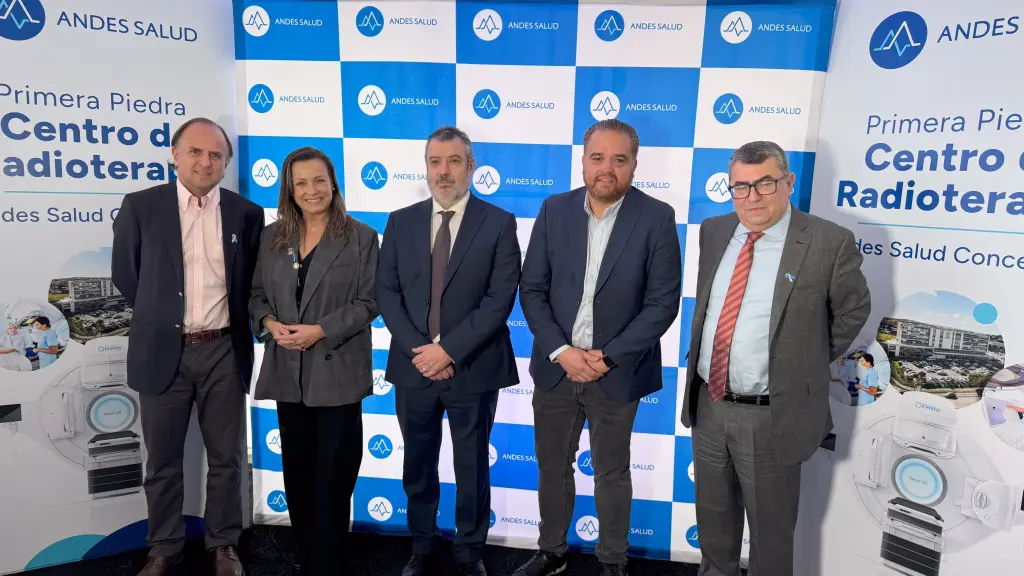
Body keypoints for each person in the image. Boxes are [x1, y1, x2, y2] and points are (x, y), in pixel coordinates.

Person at [680, 140, 871, 576]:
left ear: (788, 182)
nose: (752, 197)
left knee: (770, 538)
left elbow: (853, 311)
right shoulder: (714, 230)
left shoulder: (827, 242)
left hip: (772, 416)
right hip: (709, 405)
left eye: (765, 184)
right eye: (740, 187)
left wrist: (800, 364)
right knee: (713, 526)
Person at [515, 119, 681, 576]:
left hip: (617, 371)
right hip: (556, 369)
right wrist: (561, 351)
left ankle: (612, 560)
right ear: (583, 161)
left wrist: (607, 357)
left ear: (634, 164)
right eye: (598, 157)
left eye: (619, 159)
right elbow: (532, 289)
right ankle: (552, 552)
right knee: (552, 467)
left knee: (612, 472)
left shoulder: (656, 217)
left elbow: (662, 303)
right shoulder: (554, 209)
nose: (607, 168)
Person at [111, 117, 265, 576]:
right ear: (174, 155)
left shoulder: (246, 213)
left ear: (226, 163)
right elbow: (128, 277)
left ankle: (223, 544)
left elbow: (249, 281)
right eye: (195, 152)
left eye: (216, 155)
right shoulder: (141, 206)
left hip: (223, 350)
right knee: (161, 461)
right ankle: (164, 547)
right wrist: (163, 319)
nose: (205, 162)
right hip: (162, 351)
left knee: (227, 459)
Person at [376, 126, 521, 576]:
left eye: (454, 161)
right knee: (417, 463)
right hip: (413, 366)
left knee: (472, 465)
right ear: (426, 167)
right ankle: (422, 544)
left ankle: (469, 550)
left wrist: (449, 351)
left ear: (471, 166)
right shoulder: (400, 221)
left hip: (473, 367)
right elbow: (387, 293)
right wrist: (422, 351)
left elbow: (499, 299)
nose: (444, 171)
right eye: (435, 162)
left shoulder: (499, 222)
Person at [249, 146, 379, 575]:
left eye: (319, 180)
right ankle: (308, 554)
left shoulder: (361, 236)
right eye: (300, 182)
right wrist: (269, 322)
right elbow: (256, 295)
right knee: (298, 469)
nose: (311, 190)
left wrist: (320, 329)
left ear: (333, 183)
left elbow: (369, 302)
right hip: (287, 370)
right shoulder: (272, 236)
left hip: (337, 370)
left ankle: (329, 557)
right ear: (289, 189)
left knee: (335, 472)